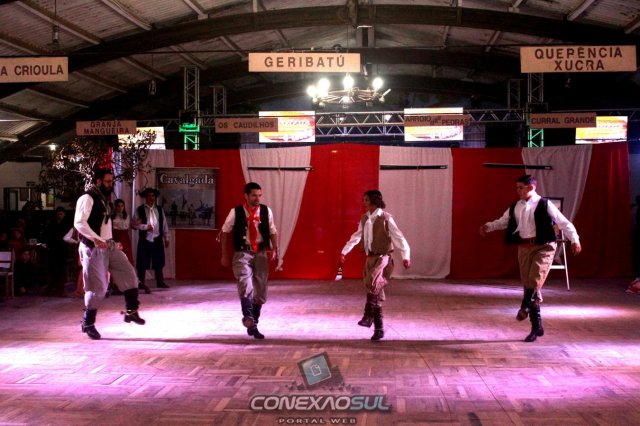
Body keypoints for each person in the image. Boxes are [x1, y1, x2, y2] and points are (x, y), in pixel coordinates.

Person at [479, 174, 582, 342]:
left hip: (544, 246)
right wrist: (488, 226)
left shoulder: (544, 204)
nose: (517, 191)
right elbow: (503, 221)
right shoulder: (516, 206)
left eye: (521, 188)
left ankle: (525, 306)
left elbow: (564, 223)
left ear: (531, 187)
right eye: (517, 188)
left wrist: (575, 240)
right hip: (525, 248)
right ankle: (536, 326)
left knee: (535, 279)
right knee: (530, 286)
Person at [74, 168, 146, 340]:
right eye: (107, 181)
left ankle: (131, 311)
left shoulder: (103, 199)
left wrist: (112, 241)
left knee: (129, 274)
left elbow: (105, 225)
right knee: (98, 288)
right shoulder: (87, 198)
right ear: (98, 181)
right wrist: (96, 239)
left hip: (108, 245)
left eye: (111, 181)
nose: (110, 184)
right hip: (93, 248)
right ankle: (88, 322)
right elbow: (79, 223)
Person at [340, 190, 411, 341]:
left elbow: (399, 237)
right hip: (370, 258)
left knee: (372, 281)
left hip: (383, 258)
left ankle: (368, 315)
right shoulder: (364, 218)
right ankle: (379, 329)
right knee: (375, 292)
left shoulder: (386, 218)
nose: (363, 203)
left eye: (366, 200)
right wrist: (344, 251)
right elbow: (356, 236)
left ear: (374, 201)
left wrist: (406, 256)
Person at [220, 182, 278, 340]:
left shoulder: (266, 211)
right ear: (246, 196)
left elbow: (273, 230)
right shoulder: (236, 212)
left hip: (260, 252)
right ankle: (247, 316)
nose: (257, 198)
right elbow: (225, 231)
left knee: (260, 290)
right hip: (242, 252)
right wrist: (224, 254)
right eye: (254, 195)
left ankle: (254, 324)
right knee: (245, 282)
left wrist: (274, 249)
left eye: (259, 195)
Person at [133, 188, 170, 291]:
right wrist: (145, 227)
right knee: (142, 261)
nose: (151, 198)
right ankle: (141, 282)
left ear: (155, 197)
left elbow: (164, 224)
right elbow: (134, 225)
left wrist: (166, 237)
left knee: (159, 260)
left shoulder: (160, 209)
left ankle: (160, 281)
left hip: (157, 238)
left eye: (152, 196)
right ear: (145, 197)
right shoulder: (139, 210)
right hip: (145, 239)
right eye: (148, 196)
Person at [43, 207, 72, 296]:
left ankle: (61, 287)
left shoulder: (67, 224)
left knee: (61, 268)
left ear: (64, 214)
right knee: (52, 267)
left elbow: (68, 237)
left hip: (63, 248)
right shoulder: (52, 223)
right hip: (53, 248)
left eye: (61, 214)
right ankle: (52, 285)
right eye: (58, 214)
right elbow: (48, 234)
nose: (59, 216)